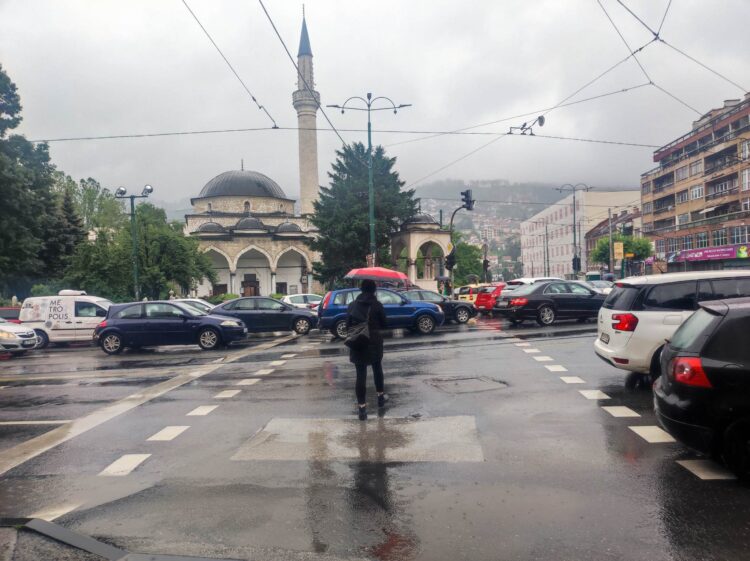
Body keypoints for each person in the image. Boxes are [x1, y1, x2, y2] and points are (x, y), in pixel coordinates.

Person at [347, 279, 388, 421]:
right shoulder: (377, 305)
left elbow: (347, 325)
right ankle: (381, 397)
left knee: (360, 374)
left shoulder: (352, 305)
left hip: (358, 342)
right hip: (374, 342)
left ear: (361, 289)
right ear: (374, 290)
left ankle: (362, 408)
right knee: (377, 369)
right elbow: (384, 324)